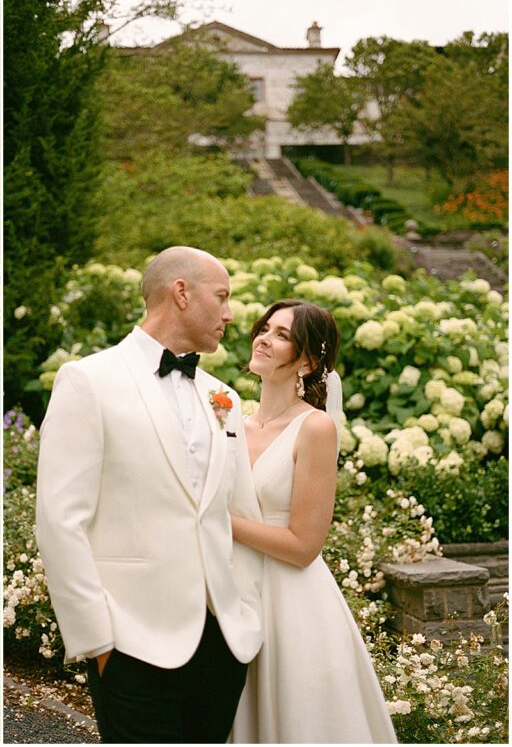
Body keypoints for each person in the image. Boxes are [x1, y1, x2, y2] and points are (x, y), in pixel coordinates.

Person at [36, 246, 265, 743]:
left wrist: (244, 616)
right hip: (130, 644)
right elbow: (60, 519)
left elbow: (235, 512)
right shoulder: (88, 381)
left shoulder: (223, 395)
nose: (230, 314)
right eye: (222, 297)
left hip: (222, 643)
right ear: (181, 292)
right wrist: (97, 640)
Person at [229, 299, 396, 743]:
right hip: (231, 595)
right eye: (265, 328)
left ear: (307, 361)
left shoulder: (315, 429)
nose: (264, 337)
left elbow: (305, 547)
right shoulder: (231, 423)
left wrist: (218, 523)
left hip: (290, 602)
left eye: (282, 334)